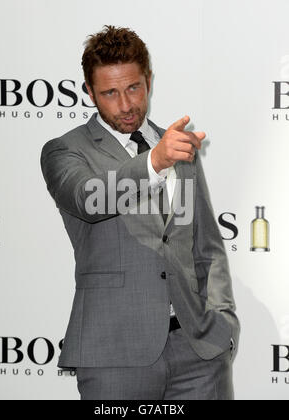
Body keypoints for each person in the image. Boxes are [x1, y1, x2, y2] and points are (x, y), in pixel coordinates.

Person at [40, 25, 240, 400]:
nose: (126, 104)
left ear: (149, 80)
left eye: (134, 88)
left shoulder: (176, 146)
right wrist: (154, 161)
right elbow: (90, 199)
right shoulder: (65, 151)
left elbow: (206, 245)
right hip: (115, 355)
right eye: (110, 93)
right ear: (89, 93)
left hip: (198, 354)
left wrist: (222, 322)